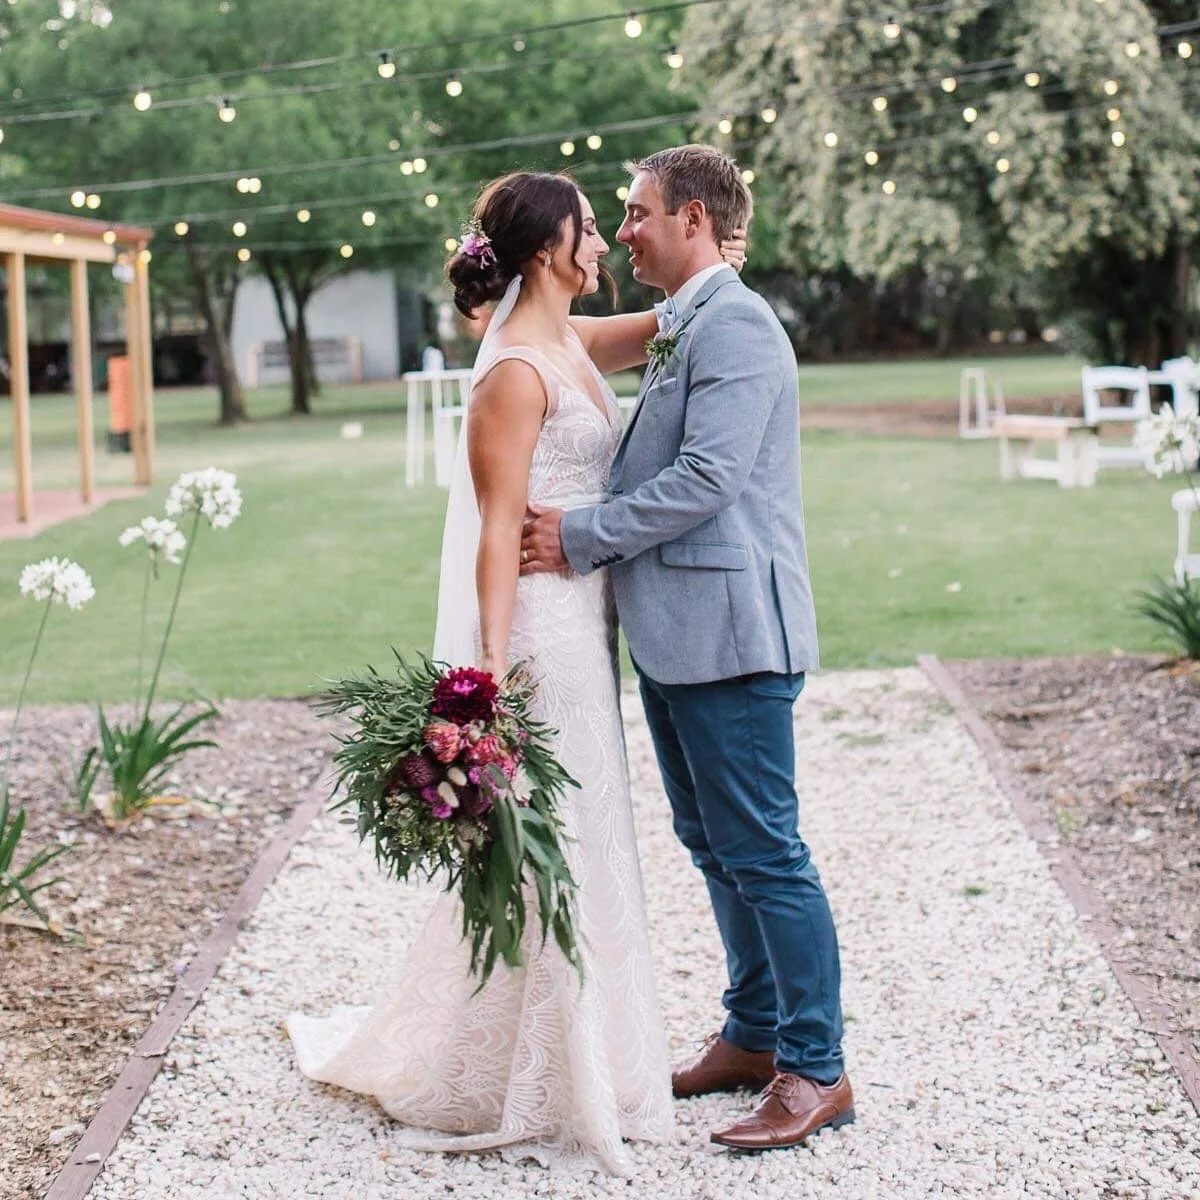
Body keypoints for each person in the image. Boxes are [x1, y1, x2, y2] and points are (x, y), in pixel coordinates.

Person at [288, 170, 746, 1173]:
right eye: (592, 229)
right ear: (548, 252)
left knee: (590, 833)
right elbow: (497, 528)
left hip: (590, 620)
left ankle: (583, 1058)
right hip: (541, 629)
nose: (605, 243)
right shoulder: (514, 372)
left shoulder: (568, 344)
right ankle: (549, 1073)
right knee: (559, 840)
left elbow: (670, 324)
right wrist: (487, 676)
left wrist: (718, 259)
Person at [520, 144, 853, 1151]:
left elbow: (707, 479)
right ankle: (753, 1035)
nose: (624, 233)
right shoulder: (684, 322)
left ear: (695, 218)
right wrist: (505, 276)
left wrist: (576, 536)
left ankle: (816, 1068)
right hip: (676, 639)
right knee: (714, 845)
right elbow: (556, 340)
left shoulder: (738, 326)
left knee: (766, 852)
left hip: (734, 637)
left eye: (637, 213)